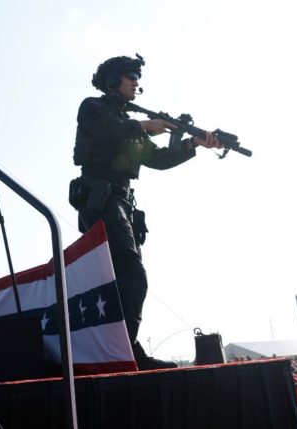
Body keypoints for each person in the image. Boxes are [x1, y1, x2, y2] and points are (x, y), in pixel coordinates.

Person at [69, 54, 222, 370]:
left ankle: (126, 349)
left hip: (121, 202)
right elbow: (110, 131)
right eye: (130, 76)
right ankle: (123, 352)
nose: (136, 82)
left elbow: (159, 160)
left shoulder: (130, 126)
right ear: (113, 81)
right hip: (101, 198)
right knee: (132, 275)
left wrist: (193, 143)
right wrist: (145, 125)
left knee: (124, 279)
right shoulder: (93, 108)